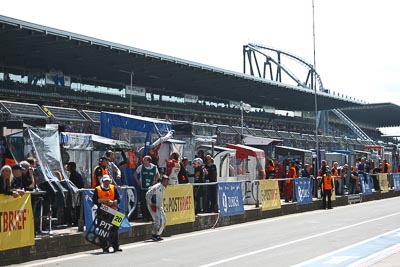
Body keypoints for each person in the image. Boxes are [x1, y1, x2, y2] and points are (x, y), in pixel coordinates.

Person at [92, 175, 122, 253]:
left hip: (113, 210)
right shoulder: (98, 189)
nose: (106, 183)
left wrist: (113, 202)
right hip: (102, 210)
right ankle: (105, 247)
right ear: (102, 181)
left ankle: (116, 246)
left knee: (115, 229)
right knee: (103, 230)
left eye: (108, 181)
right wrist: (102, 200)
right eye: (105, 181)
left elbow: (118, 199)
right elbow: (94, 200)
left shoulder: (113, 188)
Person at [134, 155, 160, 221]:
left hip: (151, 188)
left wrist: (155, 180)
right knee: (143, 202)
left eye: (145, 160)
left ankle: (150, 216)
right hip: (143, 187)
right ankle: (144, 216)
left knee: (150, 202)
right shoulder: (141, 167)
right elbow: (135, 174)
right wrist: (138, 181)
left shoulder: (154, 167)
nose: (143, 161)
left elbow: (158, 175)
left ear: (148, 161)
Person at [146, 175, 169, 241]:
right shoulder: (156, 187)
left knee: (164, 220)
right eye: (166, 181)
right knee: (157, 220)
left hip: (159, 205)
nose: (167, 183)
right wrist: (151, 203)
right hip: (153, 205)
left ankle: (158, 234)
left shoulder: (163, 187)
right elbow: (147, 194)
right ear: (163, 181)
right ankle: (154, 234)